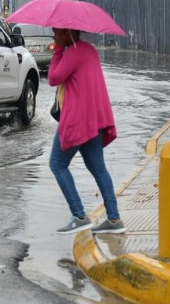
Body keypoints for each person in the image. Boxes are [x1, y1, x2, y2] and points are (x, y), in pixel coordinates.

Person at [47, 28, 125, 235]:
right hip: (94, 119)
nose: (53, 35)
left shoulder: (72, 53)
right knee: (99, 168)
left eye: (56, 32)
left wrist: (57, 52)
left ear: (67, 33)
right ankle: (114, 219)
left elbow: (53, 78)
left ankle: (79, 216)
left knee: (57, 164)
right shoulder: (90, 50)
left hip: (78, 119)